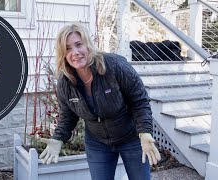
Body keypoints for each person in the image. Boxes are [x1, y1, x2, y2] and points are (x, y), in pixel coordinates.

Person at [39, 23, 161, 180]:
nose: (74, 52)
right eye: (68, 48)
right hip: (98, 144)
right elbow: (68, 116)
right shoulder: (65, 82)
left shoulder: (115, 65)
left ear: (88, 44)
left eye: (78, 45)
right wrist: (58, 139)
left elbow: (140, 101)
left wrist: (144, 132)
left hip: (131, 137)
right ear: (63, 53)